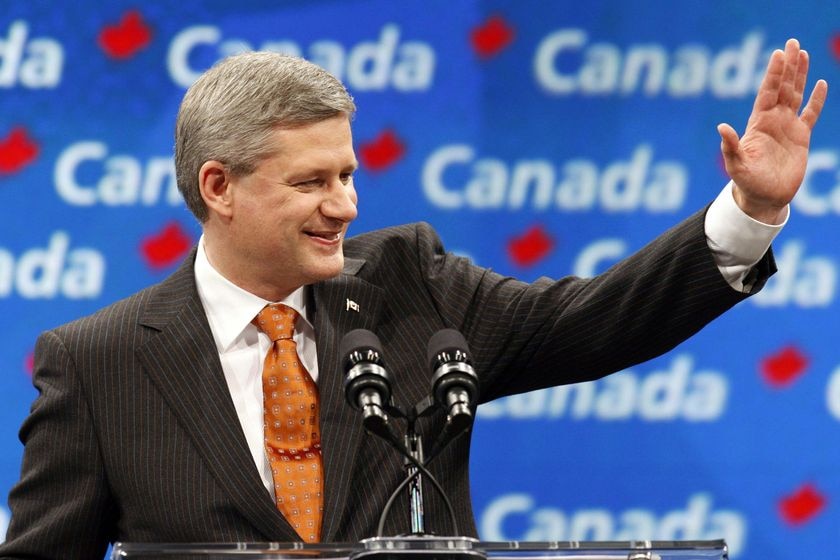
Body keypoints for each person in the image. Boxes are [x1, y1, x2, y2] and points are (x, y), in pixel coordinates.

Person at [0, 38, 827, 559]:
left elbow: (591, 324)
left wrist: (750, 213)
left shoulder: (413, 287)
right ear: (219, 186)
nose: (347, 205)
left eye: (349, 174)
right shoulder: (99, 361)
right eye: (312, 181)